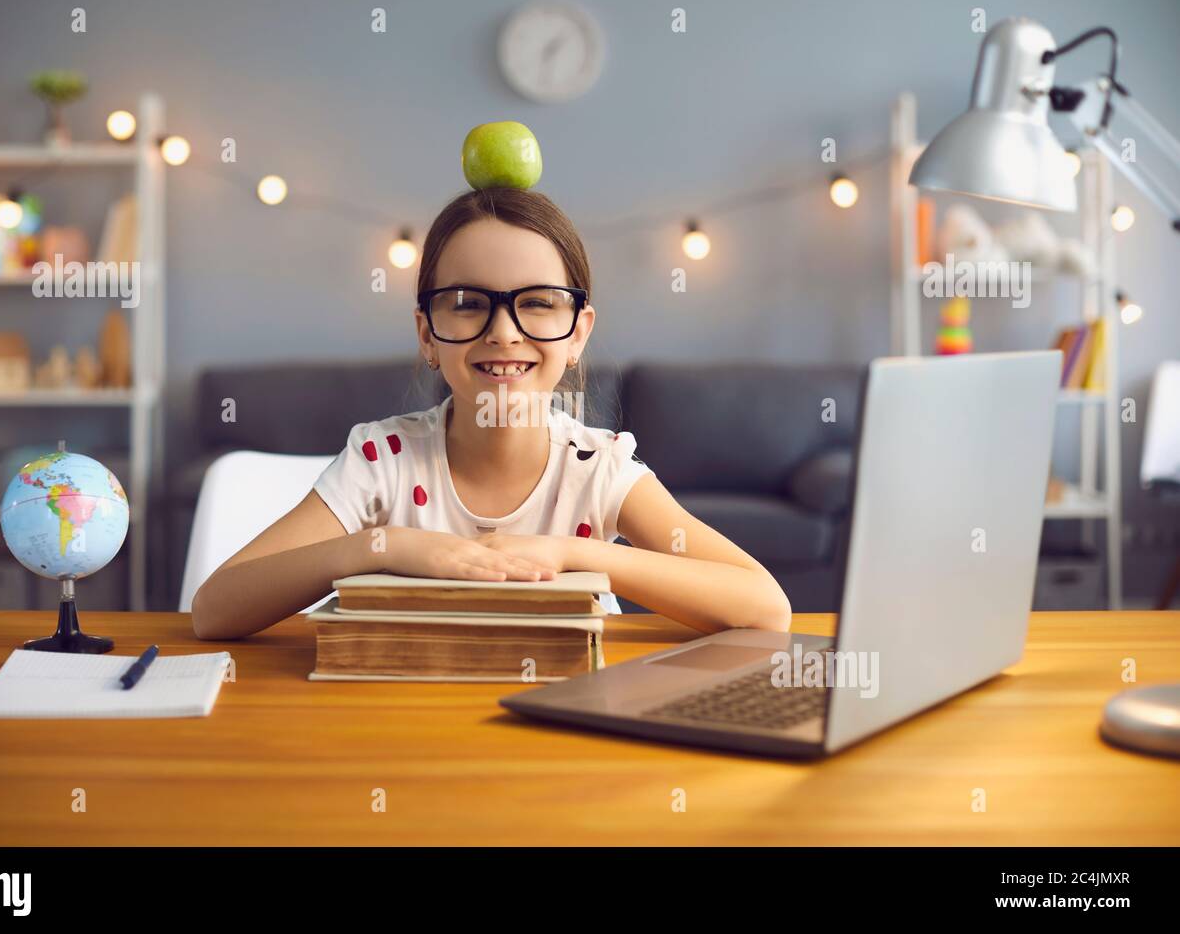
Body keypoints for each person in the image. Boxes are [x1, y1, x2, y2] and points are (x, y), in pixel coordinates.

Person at [192, 187, 790, 639]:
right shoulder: (383, 462)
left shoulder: (596, 469)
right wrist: (380, 547)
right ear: (427, 332)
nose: (504, 333)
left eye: (537, 303)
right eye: (468, 303)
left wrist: (575, 555)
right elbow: (215, 610)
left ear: (578, 334)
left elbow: (766, 607)